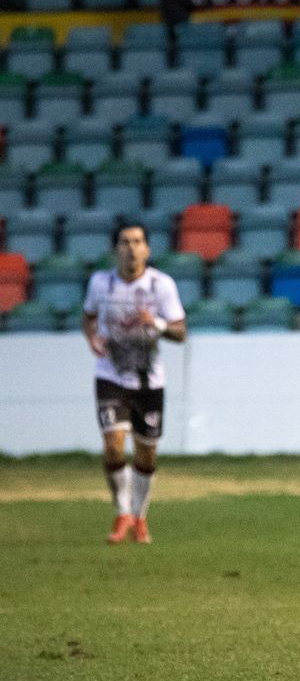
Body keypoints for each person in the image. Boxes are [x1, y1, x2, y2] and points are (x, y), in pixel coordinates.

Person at [83, 221, 187, 545]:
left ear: (147, 249)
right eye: (126, 241)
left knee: (146, 455)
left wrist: (154, 323)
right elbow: (88, 316)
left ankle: (140, 517)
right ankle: (122, 512)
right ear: (116, 249)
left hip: (149, 381)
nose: (132, 247)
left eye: (138, 241)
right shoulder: (100, 283)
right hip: (111, 375)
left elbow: (180, 332)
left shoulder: (162, 285)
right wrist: (92, 338)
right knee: (113, 446)